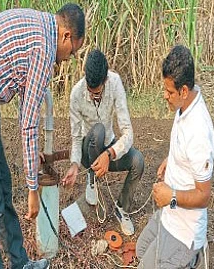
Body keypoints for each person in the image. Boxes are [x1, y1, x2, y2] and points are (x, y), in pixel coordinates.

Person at [0, 4, 85, 269]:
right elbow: (28, 125)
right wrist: (33, 190)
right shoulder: (44, 49)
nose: (69, 58)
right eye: (74, 51)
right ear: (67, 35)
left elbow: (26, 109)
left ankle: (20, 263)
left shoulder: (40, 27)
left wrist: (32, 161)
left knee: (1, 185)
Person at [136, 45, 214, 268]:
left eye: (169, 92)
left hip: (184, 229)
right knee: (142, 249)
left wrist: (171, 196)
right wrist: (171, 160)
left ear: (183, 91)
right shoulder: (185, 104)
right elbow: (183, 147)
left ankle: (192, 257)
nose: (165, 96)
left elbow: (204, 196)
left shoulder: (199, 132)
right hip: (169, 215)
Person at [61, 49, 145, 236]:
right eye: (91, 94)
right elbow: (75, 137)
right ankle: (92, 178)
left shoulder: (114, 83)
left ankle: (121, 208)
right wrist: (74, 165)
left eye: (97, 93)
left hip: (107, 145)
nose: (94, 97)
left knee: (138, 161)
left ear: (105, 80)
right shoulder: (76, 94)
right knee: (97, 130)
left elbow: (128, 132)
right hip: (87, 148)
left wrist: (110, 154)